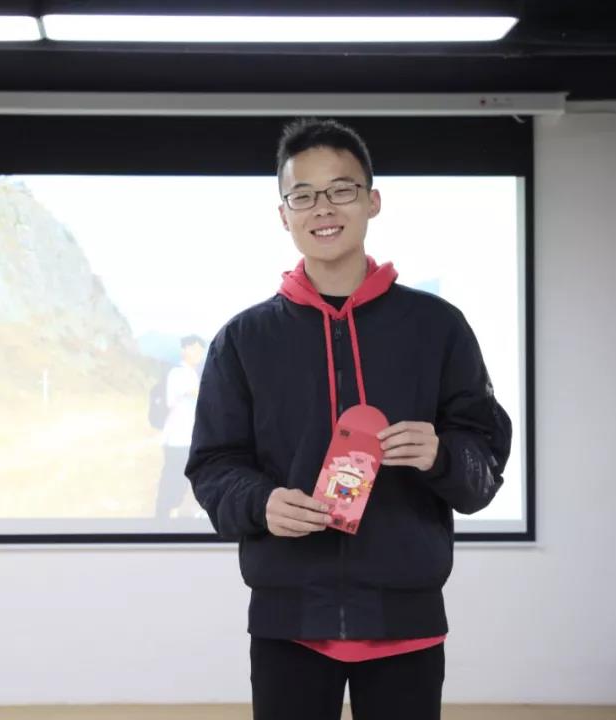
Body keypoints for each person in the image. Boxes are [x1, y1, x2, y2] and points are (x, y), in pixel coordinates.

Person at [185, 118, 513, 720]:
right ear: (283, 215)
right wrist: (261, 503)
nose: (323, 208)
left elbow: (484, 462)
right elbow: (212, 466)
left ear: (372, 200)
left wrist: (441, 454)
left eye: (341, 189)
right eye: (302, 195)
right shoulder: (243, 340)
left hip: (406, 622)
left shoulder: (437, 327)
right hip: (289, 621)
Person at [154, 334, 206, 518]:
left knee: (183, 478)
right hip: (177, 437)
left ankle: (172, 512)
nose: (198, 354)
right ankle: (165, 515)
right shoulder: (179, 373)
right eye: (195, 349)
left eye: (201, 351)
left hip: (187, 437)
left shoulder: (190, 373)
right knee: (174, 479)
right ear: (185, 349)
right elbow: (195, 393)